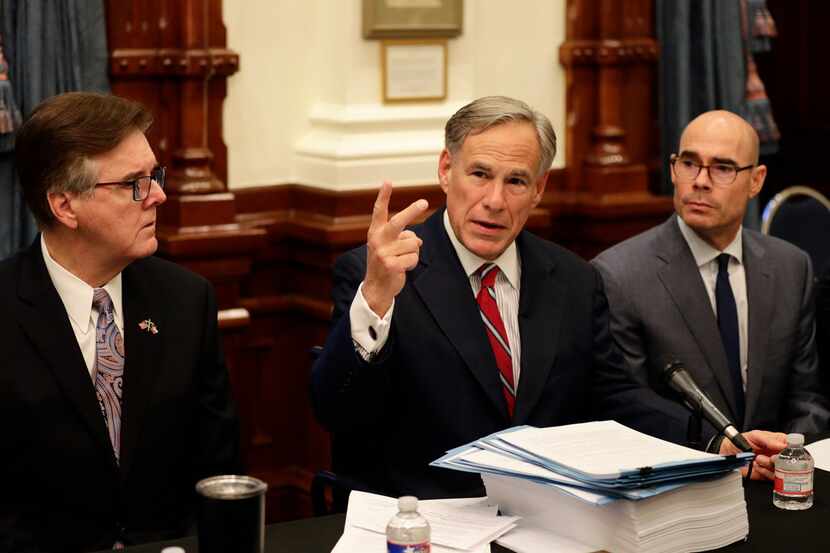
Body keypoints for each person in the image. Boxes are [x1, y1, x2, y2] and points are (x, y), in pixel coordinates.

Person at [311, 96, 637, 499]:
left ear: (538, 189)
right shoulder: (378, 274)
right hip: (424, 522)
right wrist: (375, 298)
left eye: (516, 181)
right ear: (446, 170)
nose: (495, 201)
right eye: (480, 174)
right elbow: (338, 414)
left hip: (550, 520)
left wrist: (712, 441)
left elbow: (617, 399)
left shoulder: (573, 278)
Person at [0, 92, 241, 551]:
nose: (158, 196)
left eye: (154, 176)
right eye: (134, 184)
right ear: (65, 206)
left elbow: (218, 473)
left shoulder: (186, 301)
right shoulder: (6, 308)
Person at [593, 110, 829, 478]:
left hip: (780, 481)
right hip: (683, 488)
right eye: (689, 164)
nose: (700, 181)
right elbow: (629, 409)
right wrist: (719, 455)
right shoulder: (620, 275)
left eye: (722, 168)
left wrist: (789, 451)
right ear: (673, 170)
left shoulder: (790, 266)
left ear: (756, 180)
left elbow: (807, 395)